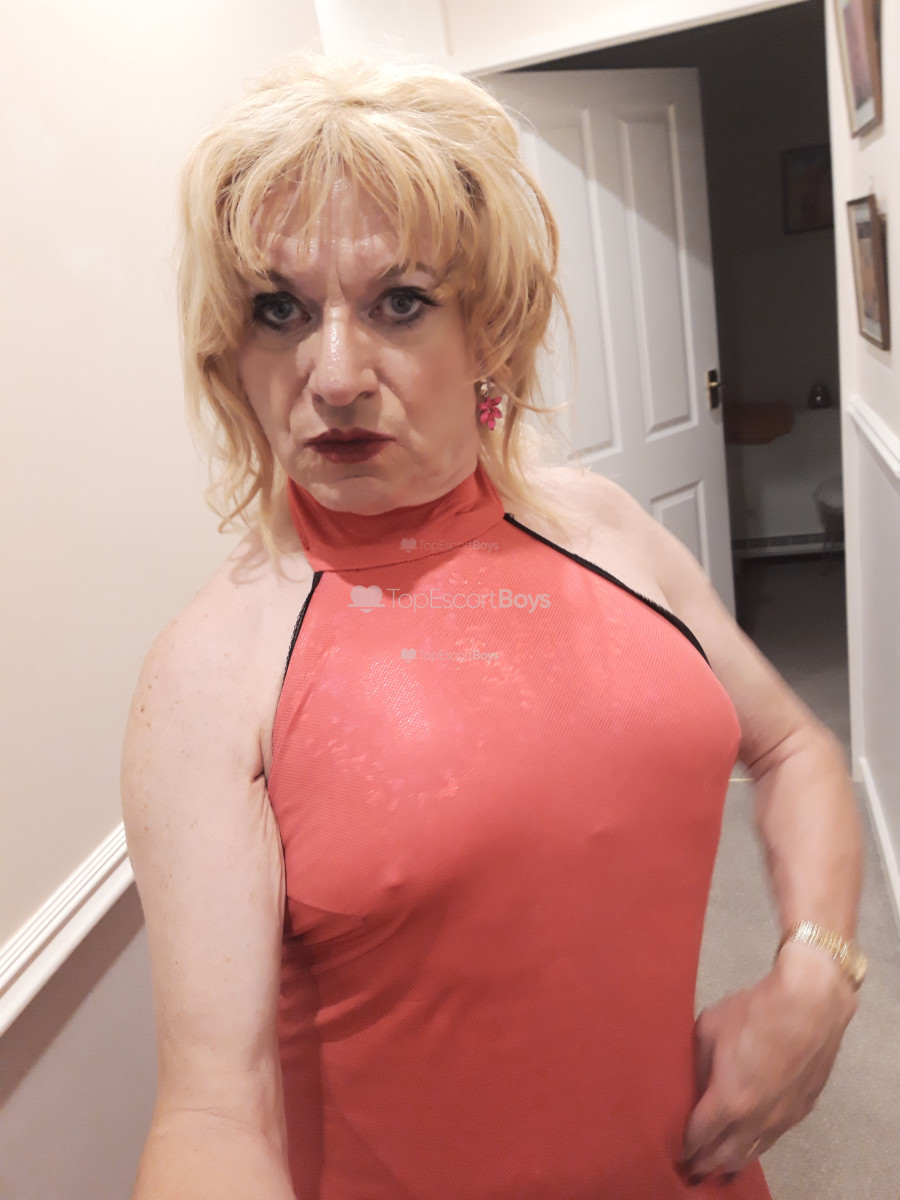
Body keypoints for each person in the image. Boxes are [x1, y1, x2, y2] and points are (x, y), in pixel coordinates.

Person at [122, 55, 865, 1200]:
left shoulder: (603, 526)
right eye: (279, 310)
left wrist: (817, 972)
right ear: (232, 351)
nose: (333, 374)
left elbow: (794, 747)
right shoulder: (212, 670)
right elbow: (214, 1116)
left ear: (492, 331)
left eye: (399, 303)